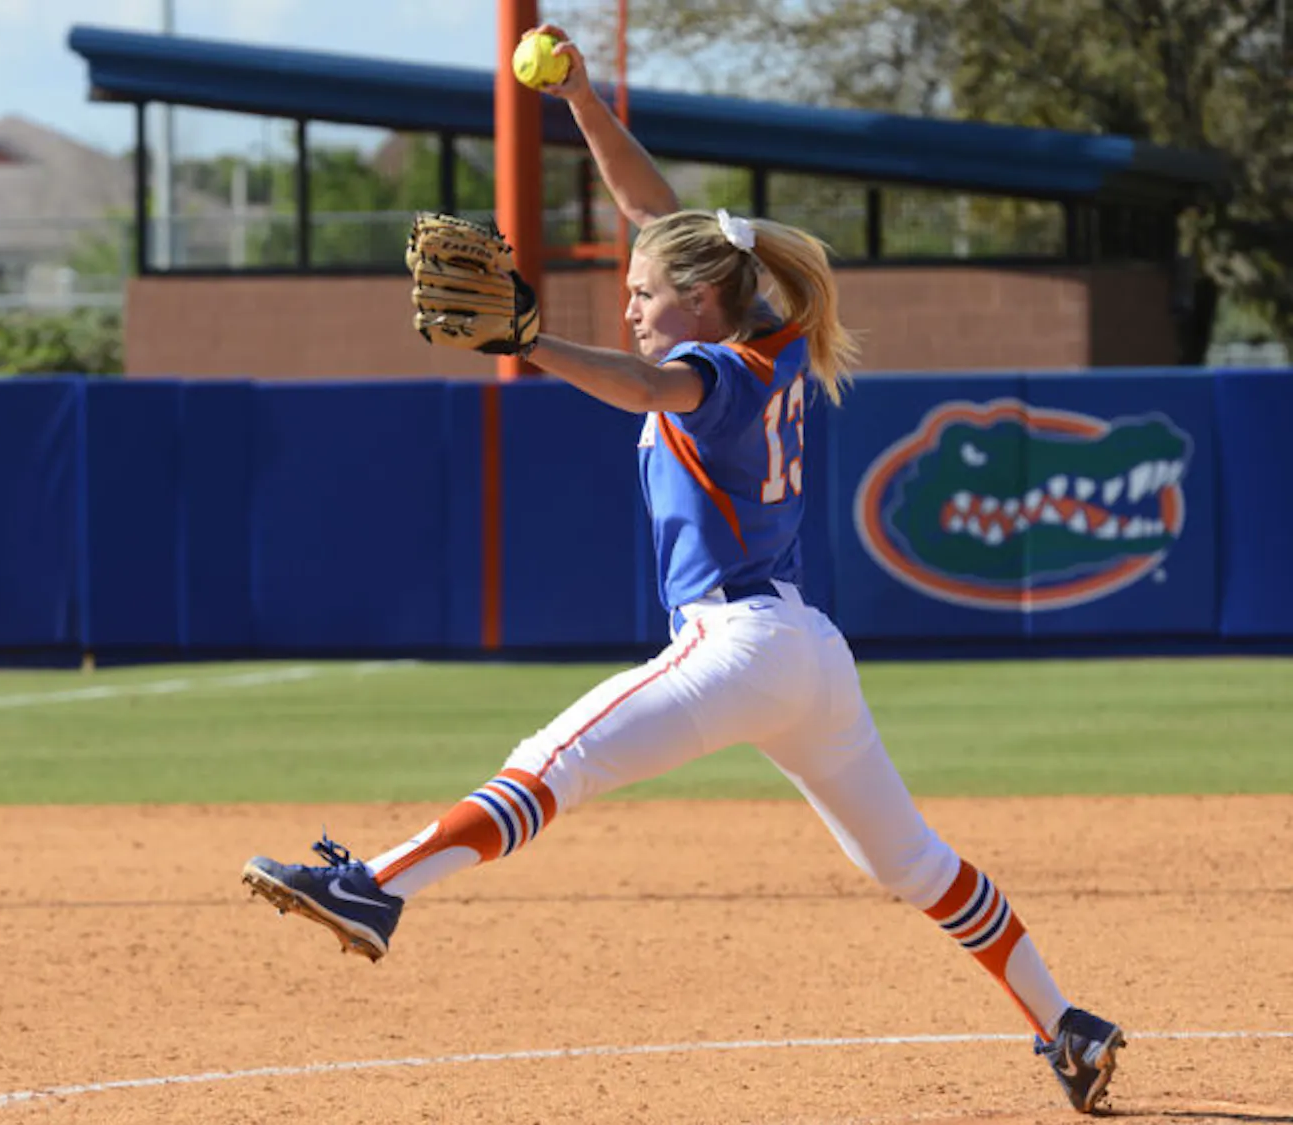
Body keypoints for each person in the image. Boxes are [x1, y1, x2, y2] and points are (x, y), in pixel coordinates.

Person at [242, 24, 1124, 1115]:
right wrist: (577, 100)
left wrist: (535, 341)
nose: (632, 304)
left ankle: (373, 888)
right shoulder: (774, 331)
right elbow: (662, 218)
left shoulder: (711, 370)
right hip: (810, 652)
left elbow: (645, 382)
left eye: (645, 296)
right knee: (914, 867)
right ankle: (1066, 1023)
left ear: (700, 306)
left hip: (738, 644)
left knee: (551, 760)